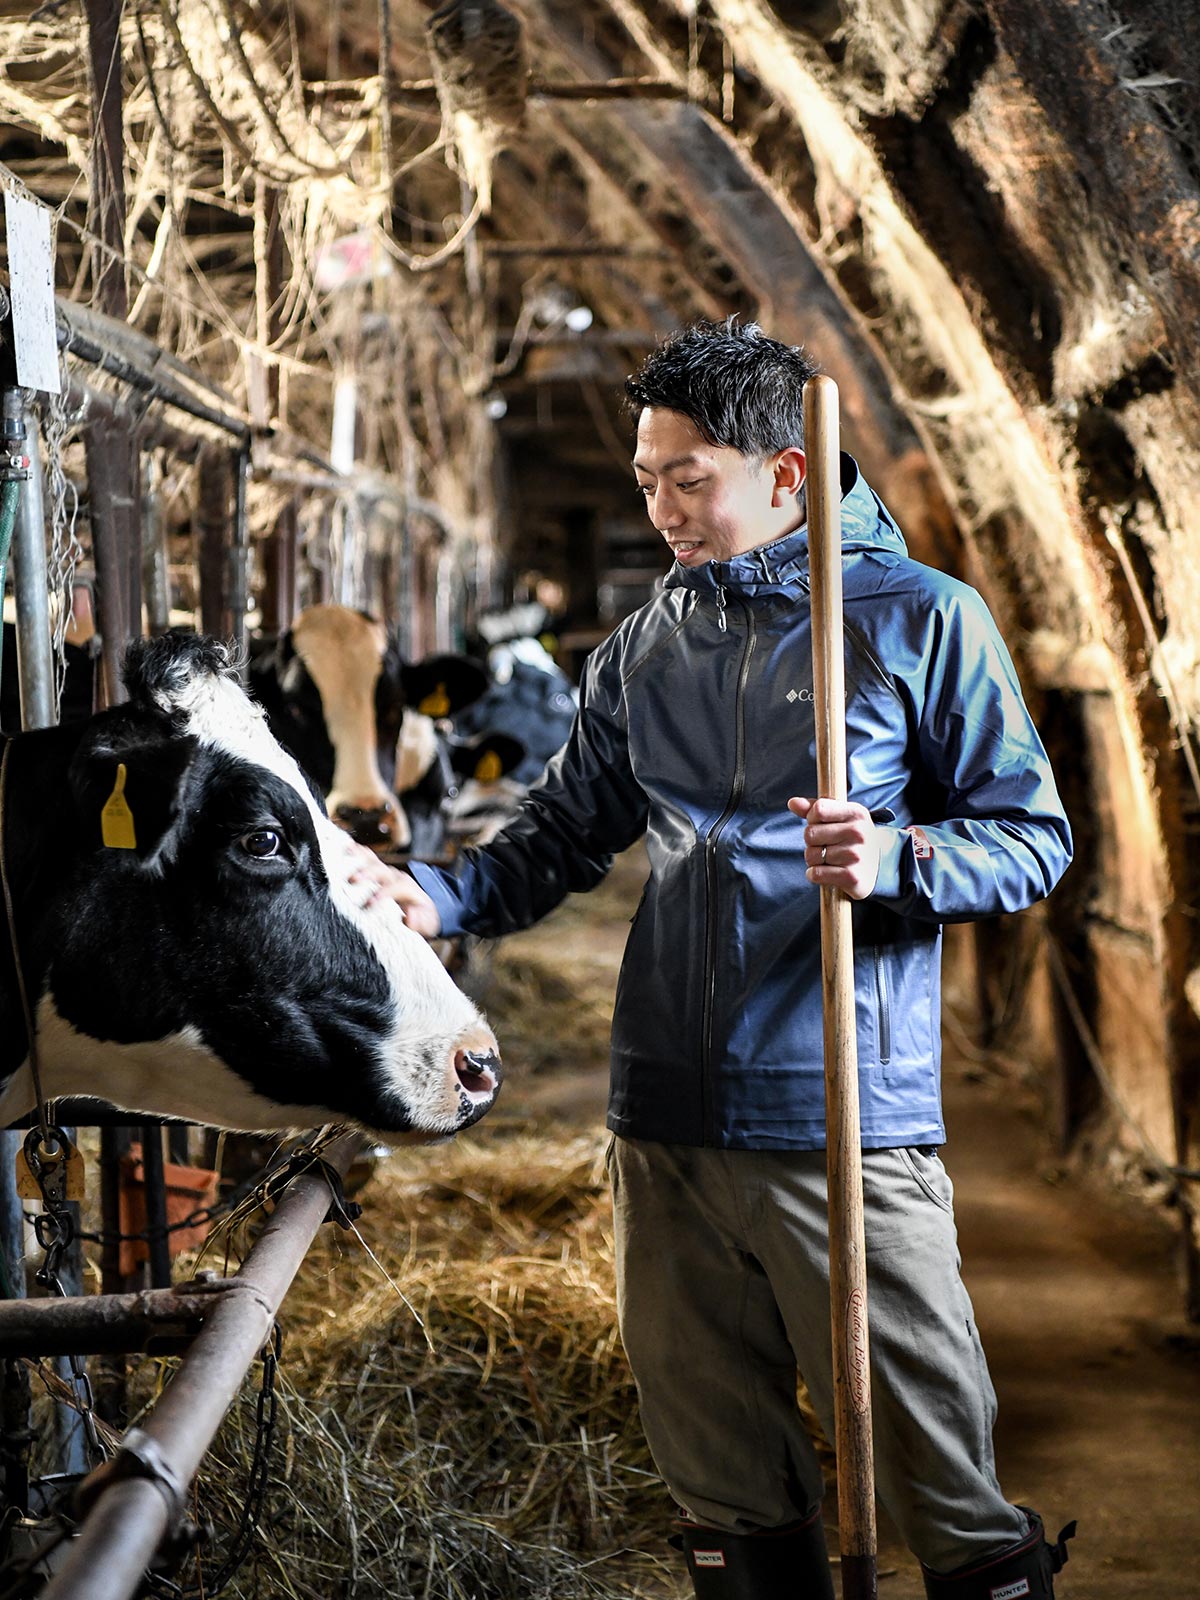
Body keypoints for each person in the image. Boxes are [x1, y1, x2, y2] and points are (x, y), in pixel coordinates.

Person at [357, 319, 1077, 1599]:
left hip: (841, 1120)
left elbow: (1029, 841)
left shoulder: (921, 623)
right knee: (721, 1482)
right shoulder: (649, 641)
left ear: (788, 474)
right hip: (666, 1115)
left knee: (937, 1480)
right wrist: (442, 891)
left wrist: (900, 858)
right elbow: (569, 829)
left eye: (688, 478)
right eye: (646, 478)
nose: (662, 507)